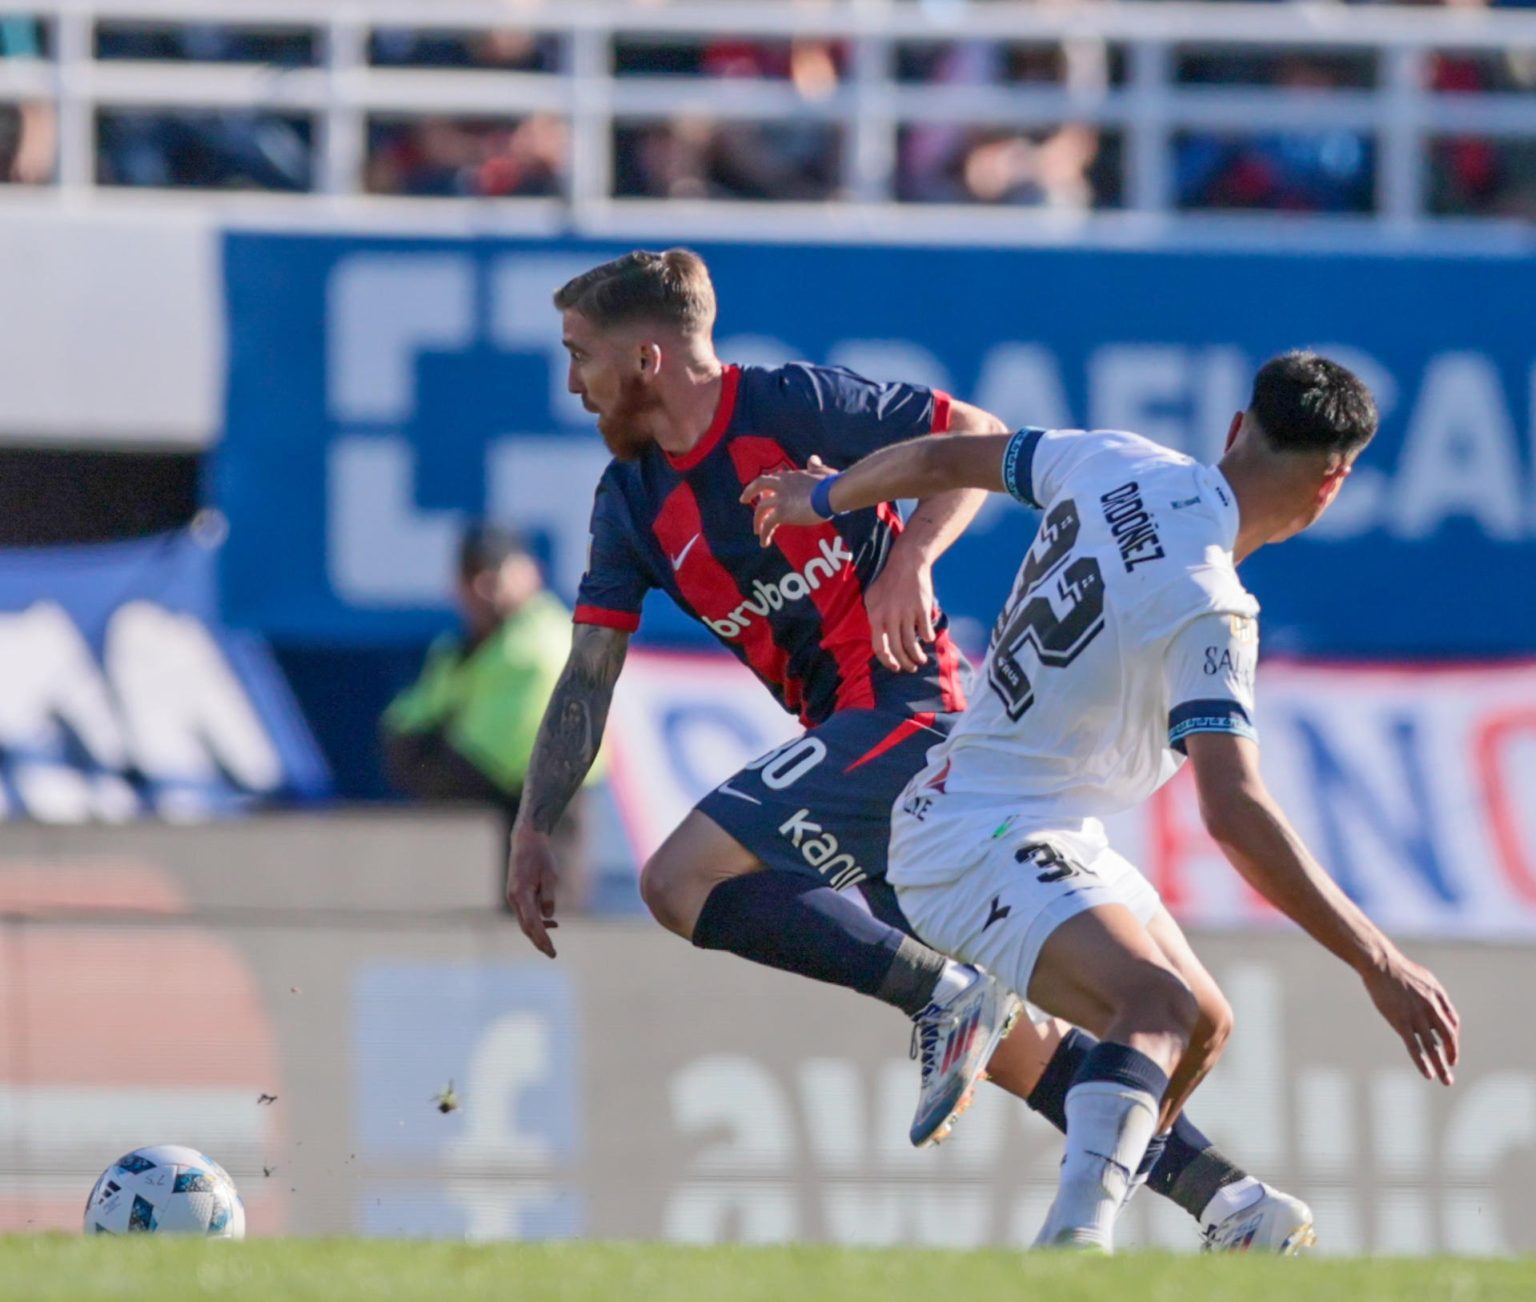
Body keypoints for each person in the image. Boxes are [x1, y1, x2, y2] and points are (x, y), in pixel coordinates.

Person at [506, 248, 1310, 1252]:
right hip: (853, 752)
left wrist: (913, 561)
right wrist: (535, 823)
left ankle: (940, 996)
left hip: (916, 718)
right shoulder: (628, 501)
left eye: (581, 356)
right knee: (1025, 1052)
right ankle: (1233, 1204)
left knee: (679, 881)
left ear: (650, 358)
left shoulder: (790, 403)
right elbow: (589, 672)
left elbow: (969, 438)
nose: (572, 383)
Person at [743, 351, 1460, 1252]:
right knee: (1157, 1006)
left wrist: (825, 497)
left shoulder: (1117, 459)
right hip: (975, 833)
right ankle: (1076, 1246)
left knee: (1202, 1027)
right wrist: (1379, 962)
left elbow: (942, 458)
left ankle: (1224, 1212)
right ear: (1332, 485)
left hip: (1027, 814)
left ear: (1236, 430)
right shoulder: (1212, 609)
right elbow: (1234, 813)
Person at [383, 524, 589, 906]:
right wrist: (429, 752)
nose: (482, 585)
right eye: (470, 573)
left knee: (549, 927)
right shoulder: (459, 648)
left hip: (547, 816)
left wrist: (435, 746)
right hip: (492, 827)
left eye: (494, 570)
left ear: (531, 572)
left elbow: (480, 763)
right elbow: (402, 735)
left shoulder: (542, 643)